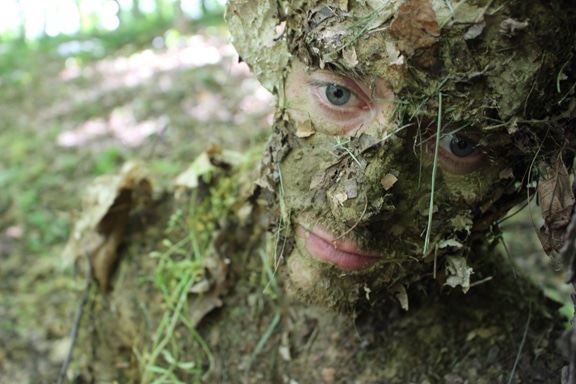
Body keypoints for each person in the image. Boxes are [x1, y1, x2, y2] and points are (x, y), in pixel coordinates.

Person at [69, 0, 576, 382]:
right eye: (337, 94)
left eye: (460, 143)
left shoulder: (527, 364)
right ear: (279, 68)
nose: (357, 205)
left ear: (518, 183)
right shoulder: (152, 253)